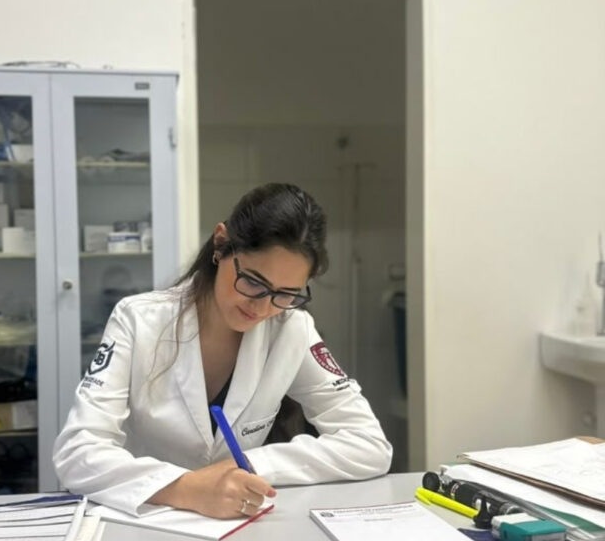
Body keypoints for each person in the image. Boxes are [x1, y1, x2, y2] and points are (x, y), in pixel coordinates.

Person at [53, 183, 392, 519]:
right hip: (145, 522)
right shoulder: (138, 320)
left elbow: (370, 445)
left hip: (238, 532)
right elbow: (77, 451)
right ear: (221, 244)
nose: (262, 308)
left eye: (285, 293)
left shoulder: (292, 329)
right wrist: (185, 488)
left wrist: (249, 465)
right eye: (254, 282)